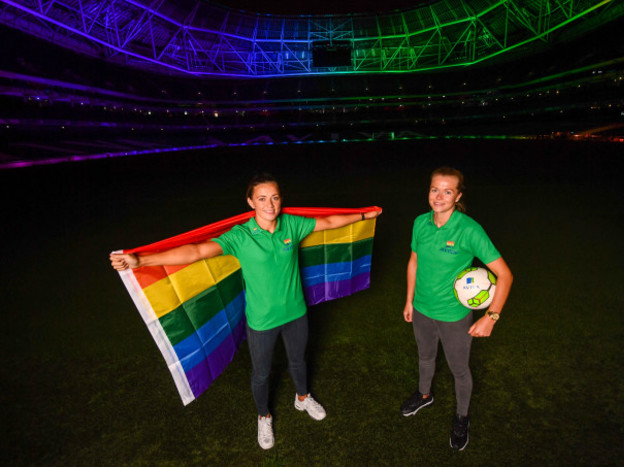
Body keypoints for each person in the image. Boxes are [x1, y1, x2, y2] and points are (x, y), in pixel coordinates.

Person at [110, 173, 381, 450]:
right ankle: (264, 415)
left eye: (274, 197)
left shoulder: (292, 225)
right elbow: (195, 252)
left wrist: (364, 215)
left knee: (298, 360)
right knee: (261, 373)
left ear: (281, 200)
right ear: (250, 202)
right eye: (262, 198)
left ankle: (302, 398)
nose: (269, 204)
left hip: (296, 313)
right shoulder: (240, 236)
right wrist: (141, 260)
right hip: (262, 322)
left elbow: (329, 222)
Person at [400, 166, 513, 451]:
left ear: (458, 195)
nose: (439, 196)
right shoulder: (419, 223)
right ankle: (424, 395)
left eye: (447, 191)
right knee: (425, 358)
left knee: (459, 369)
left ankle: (462, 417)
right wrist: (409, 300)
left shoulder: (469, 229)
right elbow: (414, 262)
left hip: (454, 317)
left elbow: (505, 275)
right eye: (434, 189)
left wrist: (491, 316)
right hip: (423, 310)